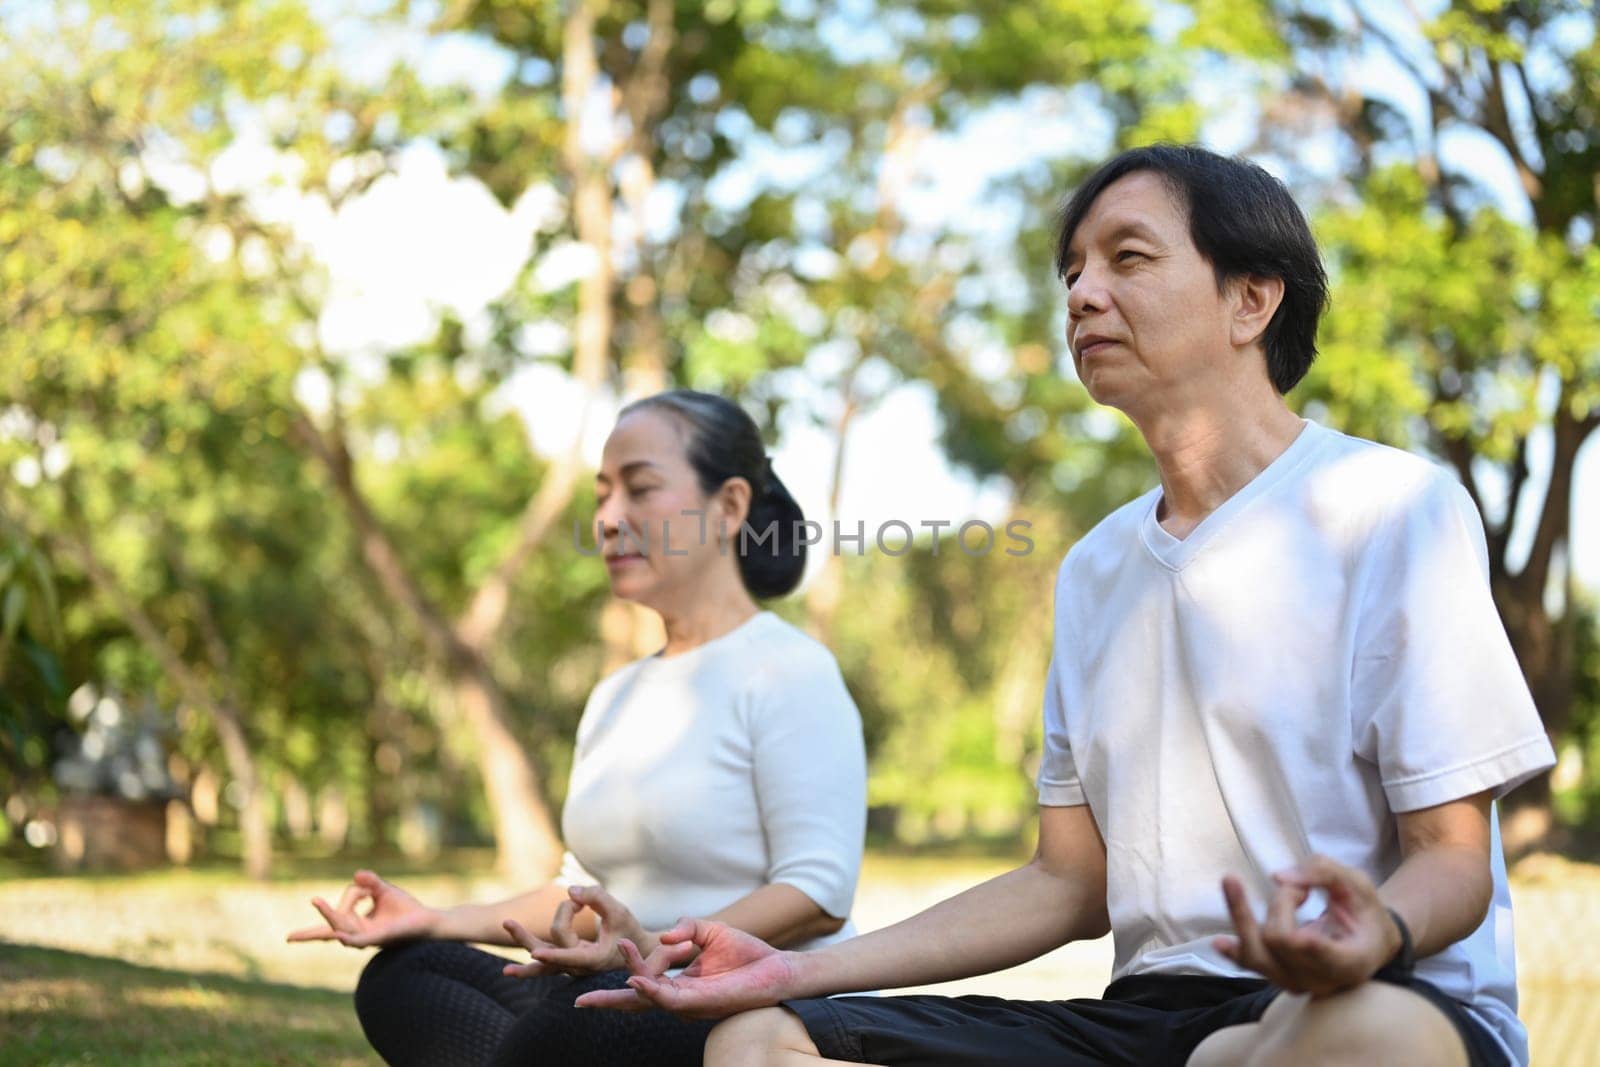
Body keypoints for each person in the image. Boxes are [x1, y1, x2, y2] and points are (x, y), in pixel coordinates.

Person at [577, 146, 1557, 1067]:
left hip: (1382, 996)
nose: (1083, 294)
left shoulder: (1389, 505)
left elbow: (1453, 863)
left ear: (1251, 299)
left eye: (1127, 259)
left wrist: (1368, 932)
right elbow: (1065, 882)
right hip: (1145, 1017)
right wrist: (790, 966)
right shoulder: (1094, 568)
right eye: (1073, 274)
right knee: (761, 1035)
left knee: (1296, 1045)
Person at [288, 389, 868, 1067]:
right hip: (622, 992)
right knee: (406, 974)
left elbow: (818, 894)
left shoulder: (790, 669)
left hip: (748, 1007)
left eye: (640, 489)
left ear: (730, 506)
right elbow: (581, 892)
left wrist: (652, 951)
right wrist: (432, 919)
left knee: (590, 1016)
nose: (609, 520)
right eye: (601, 496)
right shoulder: (614, 695)